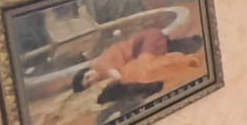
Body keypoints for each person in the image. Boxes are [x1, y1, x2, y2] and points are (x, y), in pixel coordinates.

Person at [71, 26, 205, 107]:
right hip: (148, 49)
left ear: (87, 70)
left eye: (87, 77)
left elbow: (117, 76)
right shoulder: (102, 75)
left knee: (143, 69)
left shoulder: (100, 65)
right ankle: (185, 46)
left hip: (144, 41)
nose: (92, 80)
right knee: (145, 69)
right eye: (89, 84)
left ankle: (185, 59)